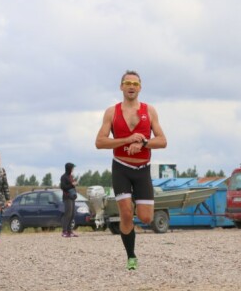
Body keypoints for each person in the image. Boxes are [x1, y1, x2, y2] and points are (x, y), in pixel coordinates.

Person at [95, 70, 167, 270]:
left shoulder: (149, 111)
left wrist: (144, 143)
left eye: (135, 83)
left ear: (140, 88)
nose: (131, 86)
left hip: (142, 170)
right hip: (122, 168)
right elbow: (99, 142)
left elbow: (163, 141)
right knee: (126, 214)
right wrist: (126, 140)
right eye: (127, 83)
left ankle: (135, 204)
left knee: (145, 218)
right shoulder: (112, 112)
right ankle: (131, 256)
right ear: (121, 87)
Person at [59, 162, 78, 238]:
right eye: (72, 168)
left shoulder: (71, 176)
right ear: (69, 168)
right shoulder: (63, 177)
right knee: (68, 214)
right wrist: (72, 185)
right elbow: (63, 187)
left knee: (72, 214)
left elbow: (72, 186)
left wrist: (75, 183)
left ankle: (70, 231)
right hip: (67, 197)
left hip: (72, 197)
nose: (73, 169)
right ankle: (64, 231)